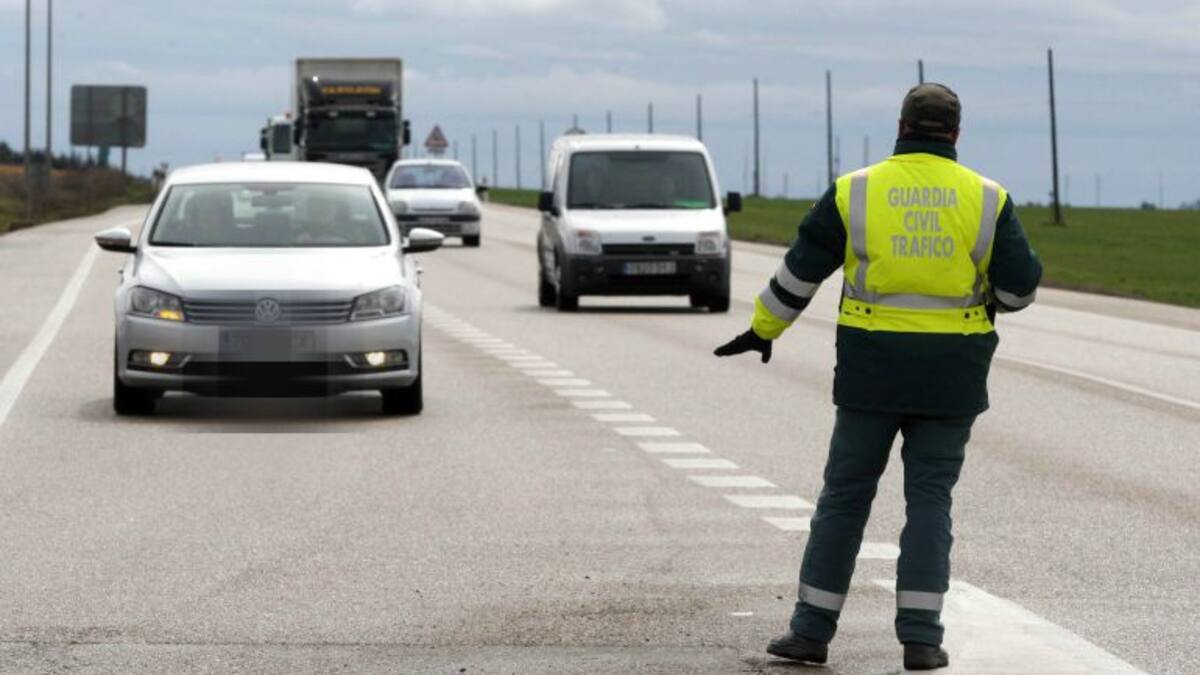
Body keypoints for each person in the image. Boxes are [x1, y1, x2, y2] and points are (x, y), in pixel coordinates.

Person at [714, 83, 1042, 671]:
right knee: (929, 501)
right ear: (957, 134)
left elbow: (800, 273)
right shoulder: (988, 199)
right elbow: (1020, 289)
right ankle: (921, 638)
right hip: (952, 377)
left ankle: (810, 632)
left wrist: (764, 330)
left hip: (871, 373)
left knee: (844, 497)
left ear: (901, 126)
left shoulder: (855, 191)